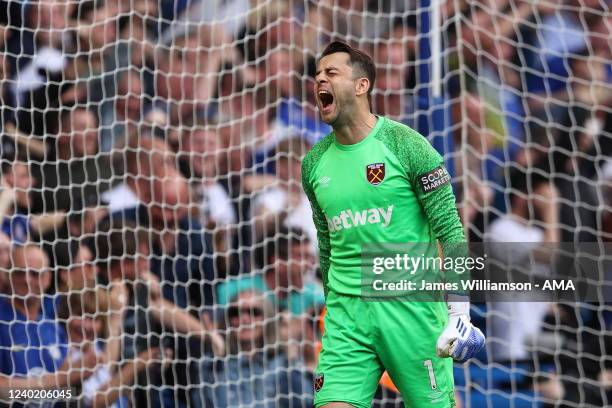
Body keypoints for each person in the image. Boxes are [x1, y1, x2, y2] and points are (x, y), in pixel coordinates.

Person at [301, 41, 484, 407]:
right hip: (347, 317)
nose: (320, 79)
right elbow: (327, 247)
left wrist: (459, 311)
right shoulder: (313, 164)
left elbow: (450, 230)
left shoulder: (407, 145)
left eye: (331, 73)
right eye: (317, 75)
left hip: (411, 310)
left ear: (361, 85)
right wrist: (333, 304)